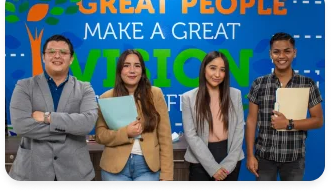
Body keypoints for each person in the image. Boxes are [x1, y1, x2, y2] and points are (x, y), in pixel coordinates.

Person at [8, 34, 98, 181]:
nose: (57, 56)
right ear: (44, 57)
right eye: (51, 52)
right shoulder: (24, 86)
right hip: (31, 173)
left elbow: (87, 124)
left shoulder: (85, 88)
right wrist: (68, 131)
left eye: (63, 52)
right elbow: (21, 126)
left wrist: (47, 117)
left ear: (71, 59)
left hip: (76, 172)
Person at [246, 32, 324, 181]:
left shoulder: (307, 84)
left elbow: (318, 120)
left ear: (294, 53)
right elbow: (251, 121)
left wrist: (288, 123)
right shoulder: (259, 83)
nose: (281, 56)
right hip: (264, 157)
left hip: (294, 158)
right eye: (276, 52)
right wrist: (250, 155)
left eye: (287, 51)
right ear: (270, 54)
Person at [95, 49, 173, 181]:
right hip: (114, 168)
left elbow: (165, 138)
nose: (132, 70)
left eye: (137, 66)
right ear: (120, 70)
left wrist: (167, 175)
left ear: (142, 71)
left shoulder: (156, 94)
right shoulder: (107, 97)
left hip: (148, 168)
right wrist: (126, 132)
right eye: (126, 65)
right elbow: (100, 136)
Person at [182, 51, 245, 181]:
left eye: (222, 70)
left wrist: (228, 165)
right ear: (204, 69)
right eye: (212, 68)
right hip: (200, 159)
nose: (217, 74)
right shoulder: (189, 97)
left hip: (230, 157)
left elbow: (239, 131)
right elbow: (191, 135)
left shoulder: (235, 95)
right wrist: (213, 167)